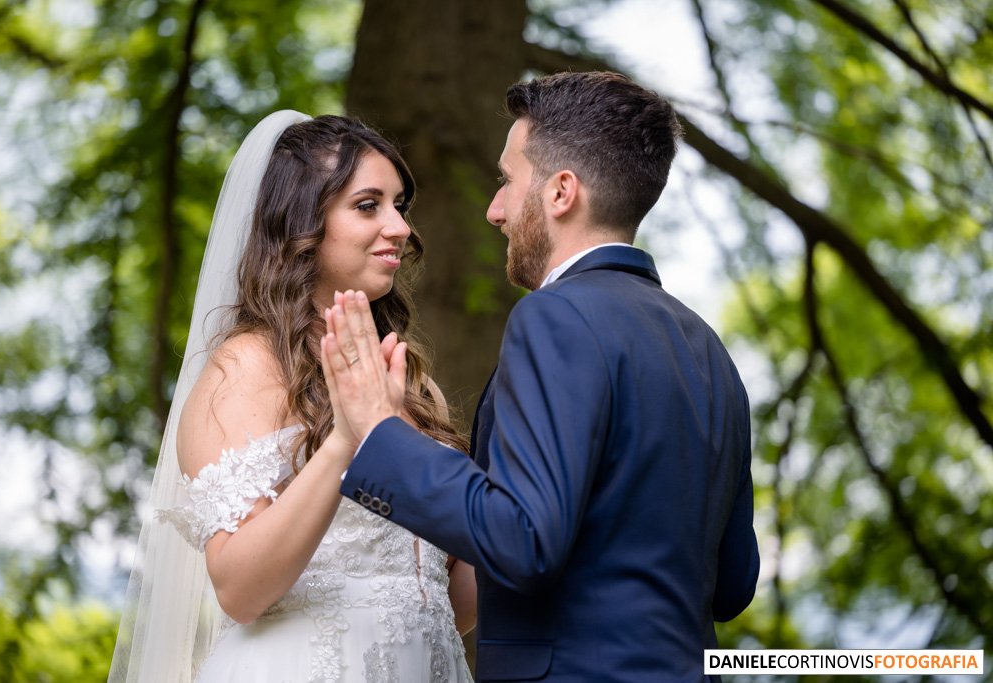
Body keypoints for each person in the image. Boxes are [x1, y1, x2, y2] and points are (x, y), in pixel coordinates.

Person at [321, 71, 760, 682]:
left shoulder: (555, 316)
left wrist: (380, 432)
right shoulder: (709, 351)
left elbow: (524, 540)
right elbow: (734, 584)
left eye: (507, 180)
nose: (494, 210)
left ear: (560, 192)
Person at [108, 111, 475, 682]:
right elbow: (239, 590)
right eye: (368, 205)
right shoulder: (244, 370)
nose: (400, 227)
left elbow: (447, 602)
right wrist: (347, 440)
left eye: (399, 206)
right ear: (300, 223)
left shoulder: (413, 385)